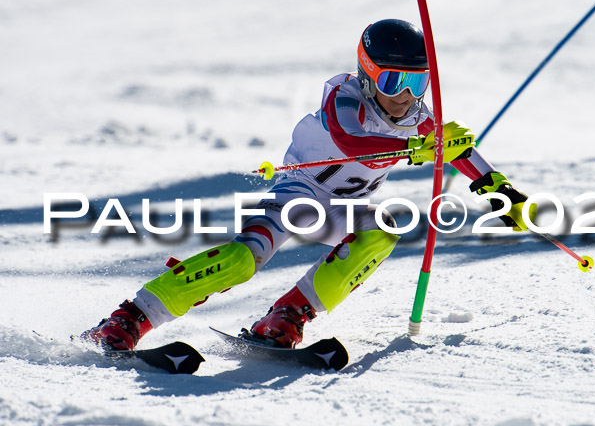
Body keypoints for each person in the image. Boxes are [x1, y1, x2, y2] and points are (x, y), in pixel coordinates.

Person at [81, 19, 536, 351]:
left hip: (345, 206)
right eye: (395, 79)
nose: (405, 94)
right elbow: (351, 141)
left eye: (418, 81)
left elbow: (459, 151)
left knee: (382, 231)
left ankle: (287, 314)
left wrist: (499, 188)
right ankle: (130, 318)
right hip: (300, 195)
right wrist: (420, 145)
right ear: (368, 74)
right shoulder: (345, 98)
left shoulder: (418, 117)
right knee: (244, 259)